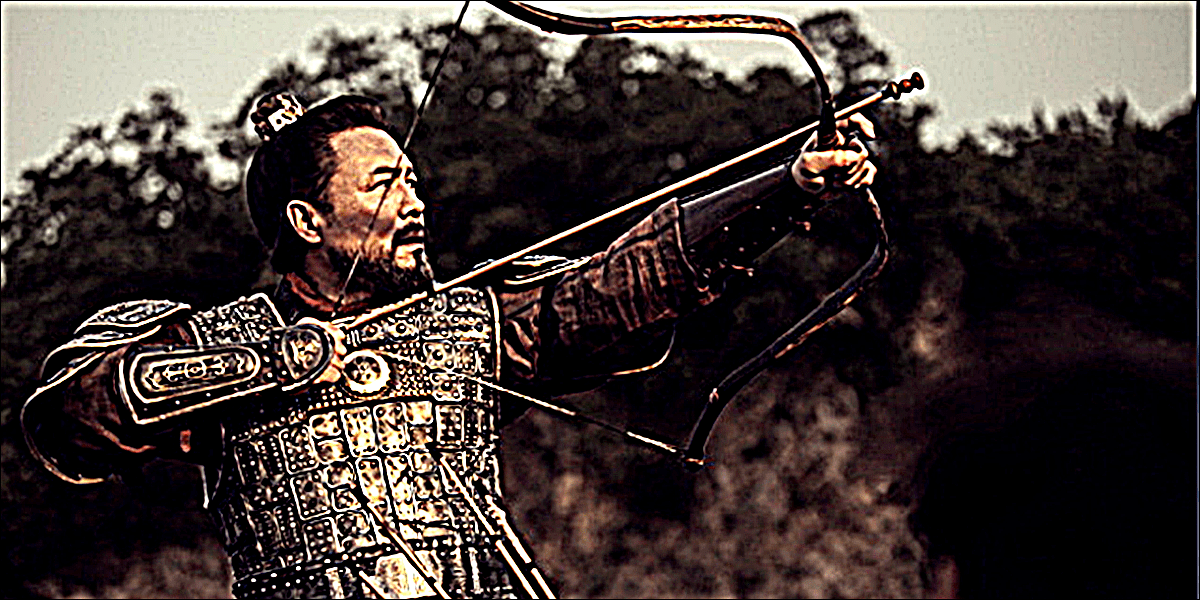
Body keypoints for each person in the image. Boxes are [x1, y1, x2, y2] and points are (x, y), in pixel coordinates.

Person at [21, 91, 877, 599]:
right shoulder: (217, 337)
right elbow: (67, 421)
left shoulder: (464, 323)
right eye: (384, 184)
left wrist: (789, 187)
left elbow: (617, 288)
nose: (415, 201)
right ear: (308, 221)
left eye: (414, 180)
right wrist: (276, 364)